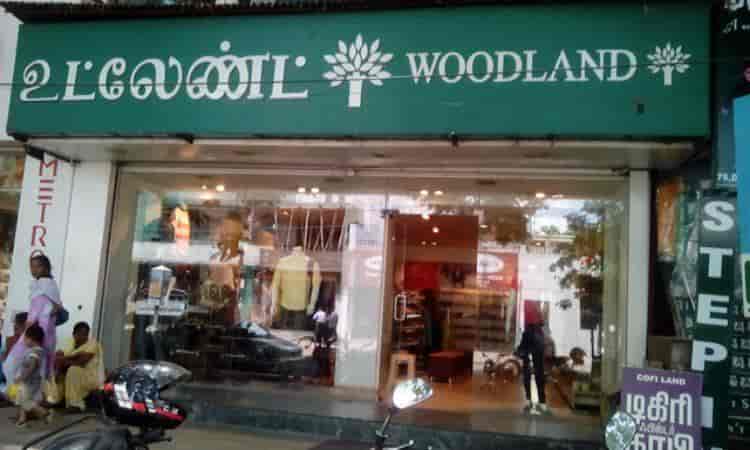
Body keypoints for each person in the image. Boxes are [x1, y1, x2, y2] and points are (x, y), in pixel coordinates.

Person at [2, 254, 62, 383]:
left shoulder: (46, 284)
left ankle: (18, 386)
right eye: (32, 267)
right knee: (40, 363)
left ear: (46, 268)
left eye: (37, 266)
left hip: (38, 331)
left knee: (17, 361)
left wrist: (31, 322)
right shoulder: (47, 284)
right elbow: (55, 307)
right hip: (43, 330)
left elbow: (49, 308)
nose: (33, 270)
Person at [53, 322, 104, 412]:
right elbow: (58, 355)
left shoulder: (93, 344)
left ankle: (76, 405)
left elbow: (81, 362)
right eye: (80, 334)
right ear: (74, 334)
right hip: (78, 375)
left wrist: (65, 360)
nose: (83, 337)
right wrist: (59, 368)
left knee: (73, 369)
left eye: (85, 334)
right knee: (57, 370)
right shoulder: (70, 342)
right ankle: (57, 400)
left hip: (92, 378)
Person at [13, 324, 51, 427]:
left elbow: (32, 366)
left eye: (25, 338)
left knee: (25, 401)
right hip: (31, 381)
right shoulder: (39, 351)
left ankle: (43, 412)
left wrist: (22, 377)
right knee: (21, 397)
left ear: (31, 339)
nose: (24, 341)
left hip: (29, 381)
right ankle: (22, 419)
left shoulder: (34, 351)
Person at [516, 321, 548, 414]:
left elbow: (523, 346)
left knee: (533, 379)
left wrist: (521, 352)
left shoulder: (534, 333)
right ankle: (539, 401)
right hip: (533, 359)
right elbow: (524, 346)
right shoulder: (537, 333)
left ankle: (534, 400)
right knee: (535, 379)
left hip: (533, 359)